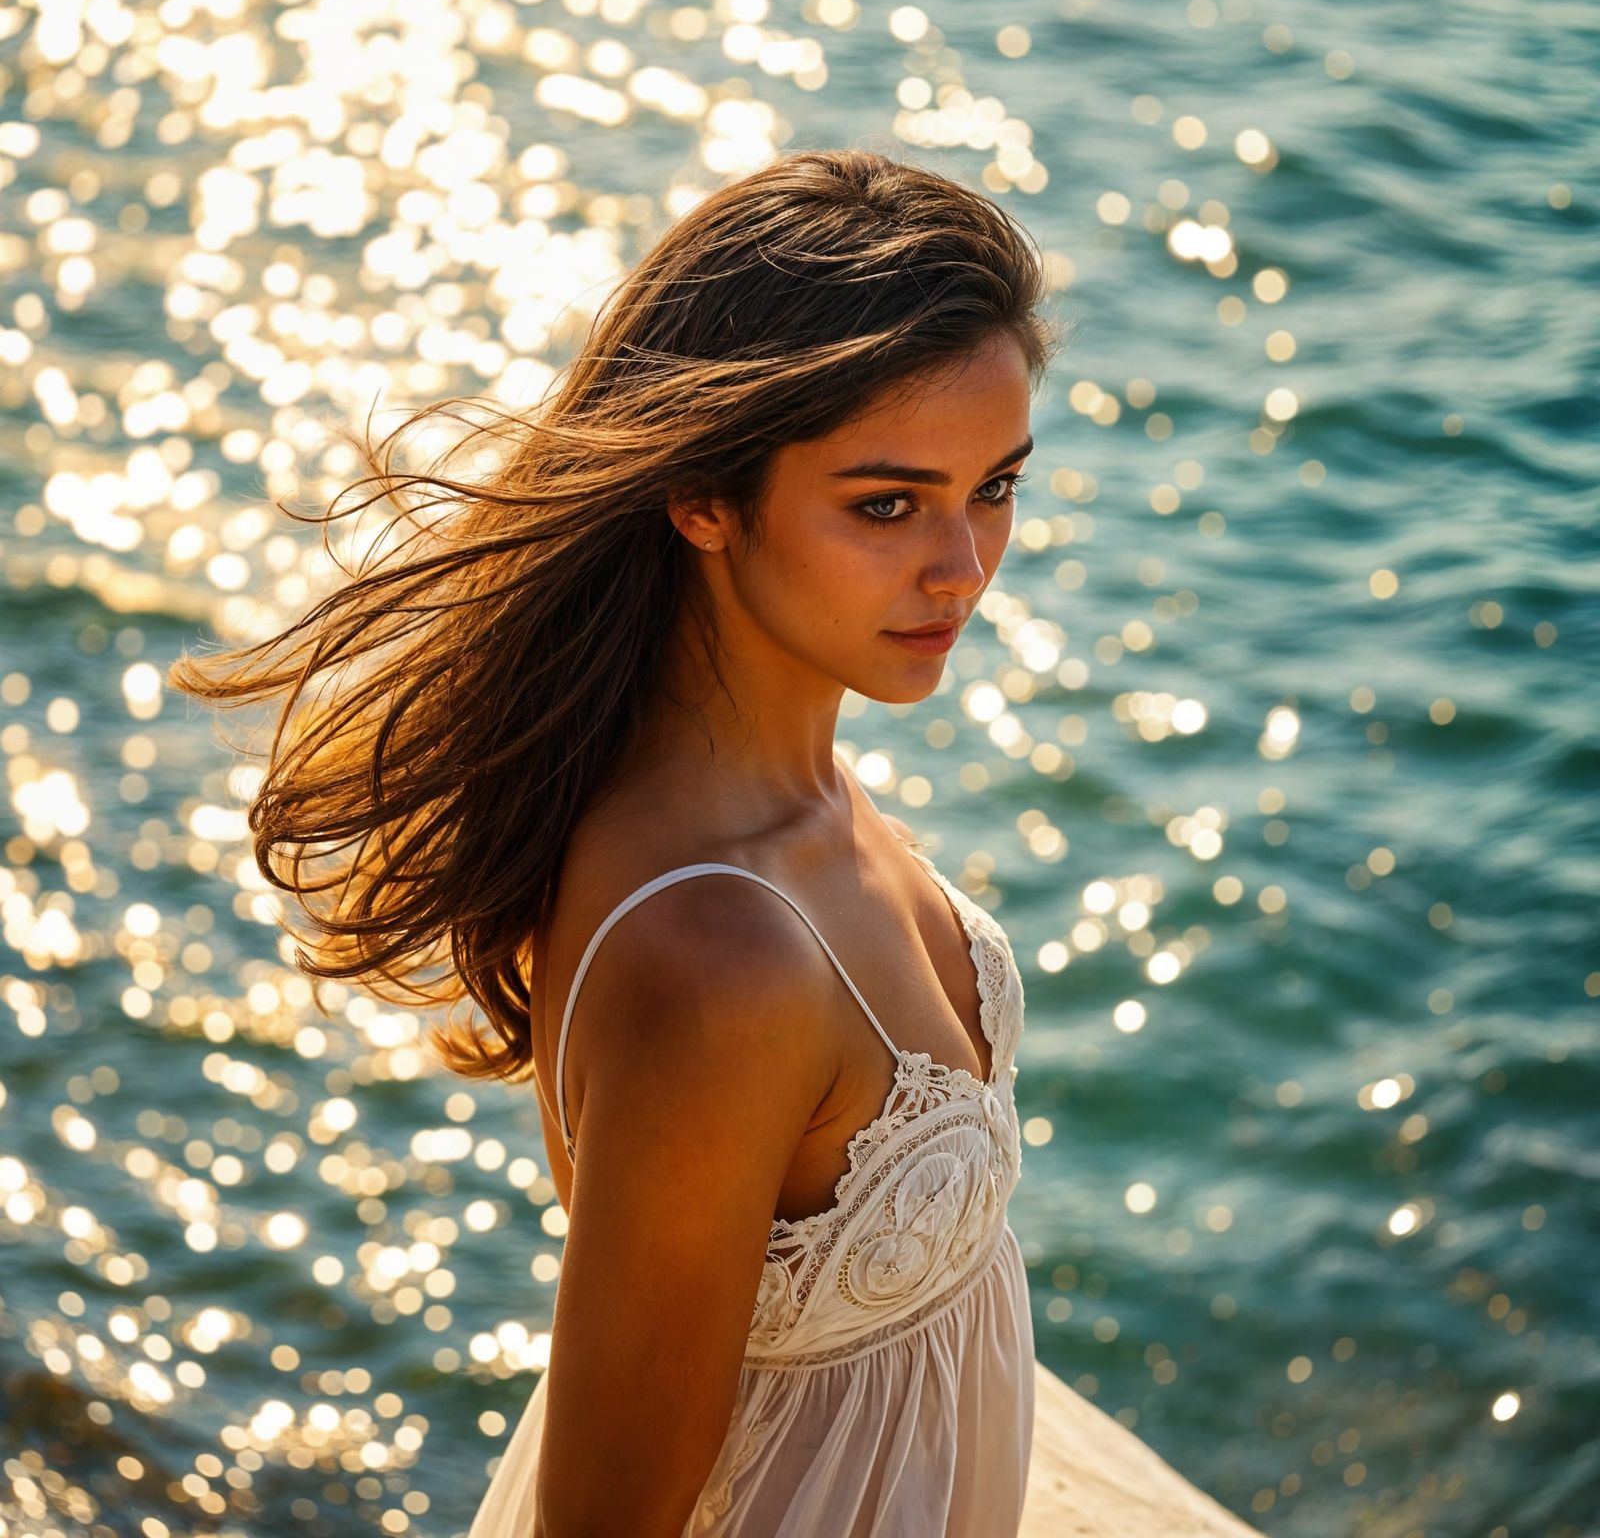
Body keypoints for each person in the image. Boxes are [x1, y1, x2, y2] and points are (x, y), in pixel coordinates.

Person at [171, 148, 1261, 1537]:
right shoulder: (718, 954)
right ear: (703, 497)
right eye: (886, 505)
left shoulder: (799, 794)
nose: (964, 566)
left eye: (995, 487)